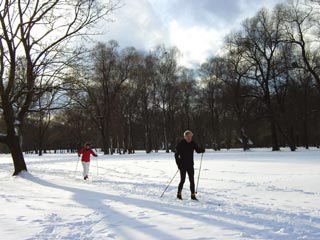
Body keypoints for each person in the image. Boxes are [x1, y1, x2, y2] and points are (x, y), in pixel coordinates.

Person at [174, 130, 205, 200]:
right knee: (182, 180)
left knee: (192, 180)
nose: (189, 138)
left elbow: (197, 150)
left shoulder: (192, 143)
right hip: (182, 165)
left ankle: (193, 195)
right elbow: (176, 155)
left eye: (190, 137)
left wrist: (202, 150)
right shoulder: (181, 144)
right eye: (188, 137)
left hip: (190, 165)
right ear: (185, 137)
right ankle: (179, 194)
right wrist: (178, 164)